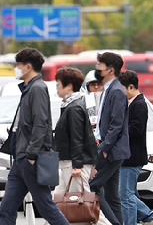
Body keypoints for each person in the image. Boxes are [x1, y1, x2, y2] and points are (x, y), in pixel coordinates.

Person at [0, 48, 70, 225]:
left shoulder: (37, 88)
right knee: (6, 208)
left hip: (31, 158)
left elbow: (41, 123)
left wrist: (31, 154)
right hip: (21, 158)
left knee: (45, 206)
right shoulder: (29, 89)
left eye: (18, 65)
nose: (16, 69)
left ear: (28, 66)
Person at [51, 67, 111, 225]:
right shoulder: (72, 105)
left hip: (73, 163)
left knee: (87, 204)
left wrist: (78, 165)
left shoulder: (74, 107)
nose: (57, 87)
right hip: (69, 163)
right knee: (55, 204)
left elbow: (78, 139)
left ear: (69, 85)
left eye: (59, 84)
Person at [89, 52, 131, 225]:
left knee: (93, 186)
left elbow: (117, 124)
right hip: (111, 149)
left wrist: (105, 148)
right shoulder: (110, 89)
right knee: (112, 195)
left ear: (110, 70)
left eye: (100, 66)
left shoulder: (116, 91)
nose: (97, 69)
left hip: (111, 150)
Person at [118, 71, 153, 225]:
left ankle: (144, 218)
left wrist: (119, 130)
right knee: (125, 194)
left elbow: (136, 129)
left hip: (133, 156)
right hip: (127, 156)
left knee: (126, 195)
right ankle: (149, 216)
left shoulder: (140, 104)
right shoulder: (131, 103)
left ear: (130, 87)